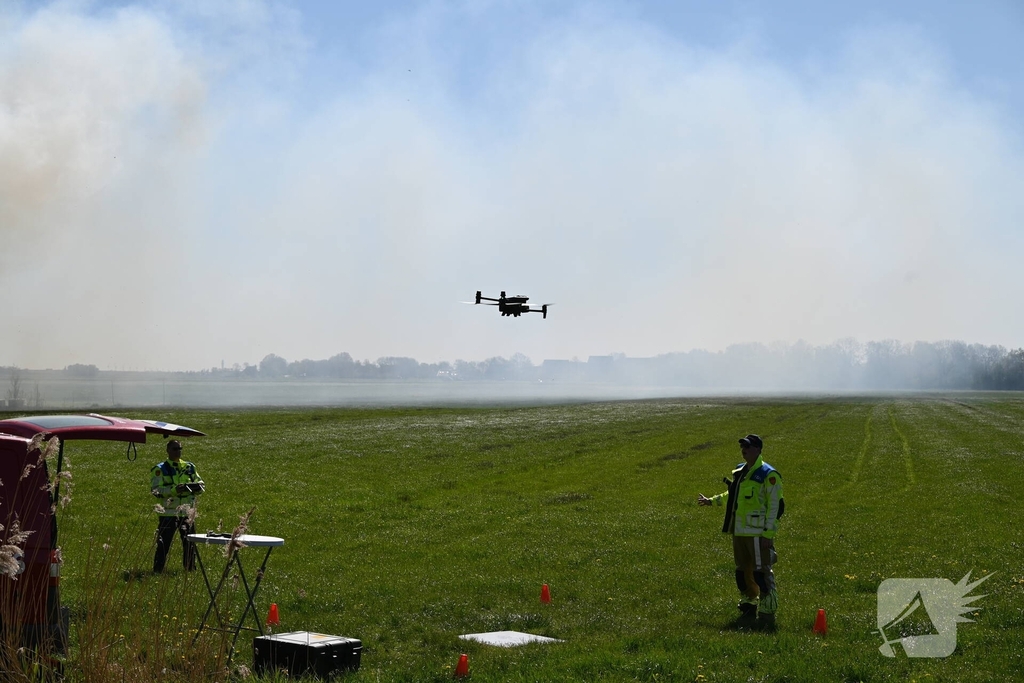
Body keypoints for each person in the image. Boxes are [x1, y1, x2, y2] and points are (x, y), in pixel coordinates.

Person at [698, 434, 784, 629]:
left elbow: (775, 507)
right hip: (739, 532)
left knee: (761, 571)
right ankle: (749, 603)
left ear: (758, 449)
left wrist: (768, 534)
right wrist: (712, 500)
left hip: (757, 534)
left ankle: (768, 610)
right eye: (742, 447)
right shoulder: (740, 471)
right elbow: (732, 495)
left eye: (748, 446)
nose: (744, 450)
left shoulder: (768, 474)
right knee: (742, 571)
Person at [151, 439, 205, 573]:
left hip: (187, 511)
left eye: (180, 448)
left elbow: (201, 485)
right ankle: (158, 570)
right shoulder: (160, 469)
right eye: (175, 449)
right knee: (164, 544)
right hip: (168, 513)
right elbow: (156, 491)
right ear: (167, 450)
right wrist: (175, 490)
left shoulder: (189, 467)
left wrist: (195, 488)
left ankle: (190, 569)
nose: (178, 451)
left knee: (190, 543)